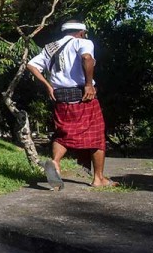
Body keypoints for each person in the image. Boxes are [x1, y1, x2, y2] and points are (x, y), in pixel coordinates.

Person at [26, 20, 116, 189]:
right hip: (83, 95)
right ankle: (99, 179)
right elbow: (87, 58)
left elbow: (31, 65)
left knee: (63, 134)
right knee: (96, 135)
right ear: (81, 32)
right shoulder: (83, 42)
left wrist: (47, 85)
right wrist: (89, 84)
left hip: (60, 96)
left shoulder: (50, 47)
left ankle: (55, 162)